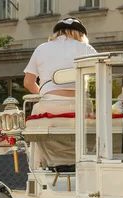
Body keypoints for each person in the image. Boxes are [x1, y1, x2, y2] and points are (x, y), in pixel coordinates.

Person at [23, 17, 96, 167]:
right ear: (80, 34)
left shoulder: (42, 48)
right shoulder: (86, 49)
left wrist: (44, 95)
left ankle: (39, 167)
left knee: (37, 114)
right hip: (79, 108)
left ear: (57, 32)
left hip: (48, 106)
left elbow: (28, 82)